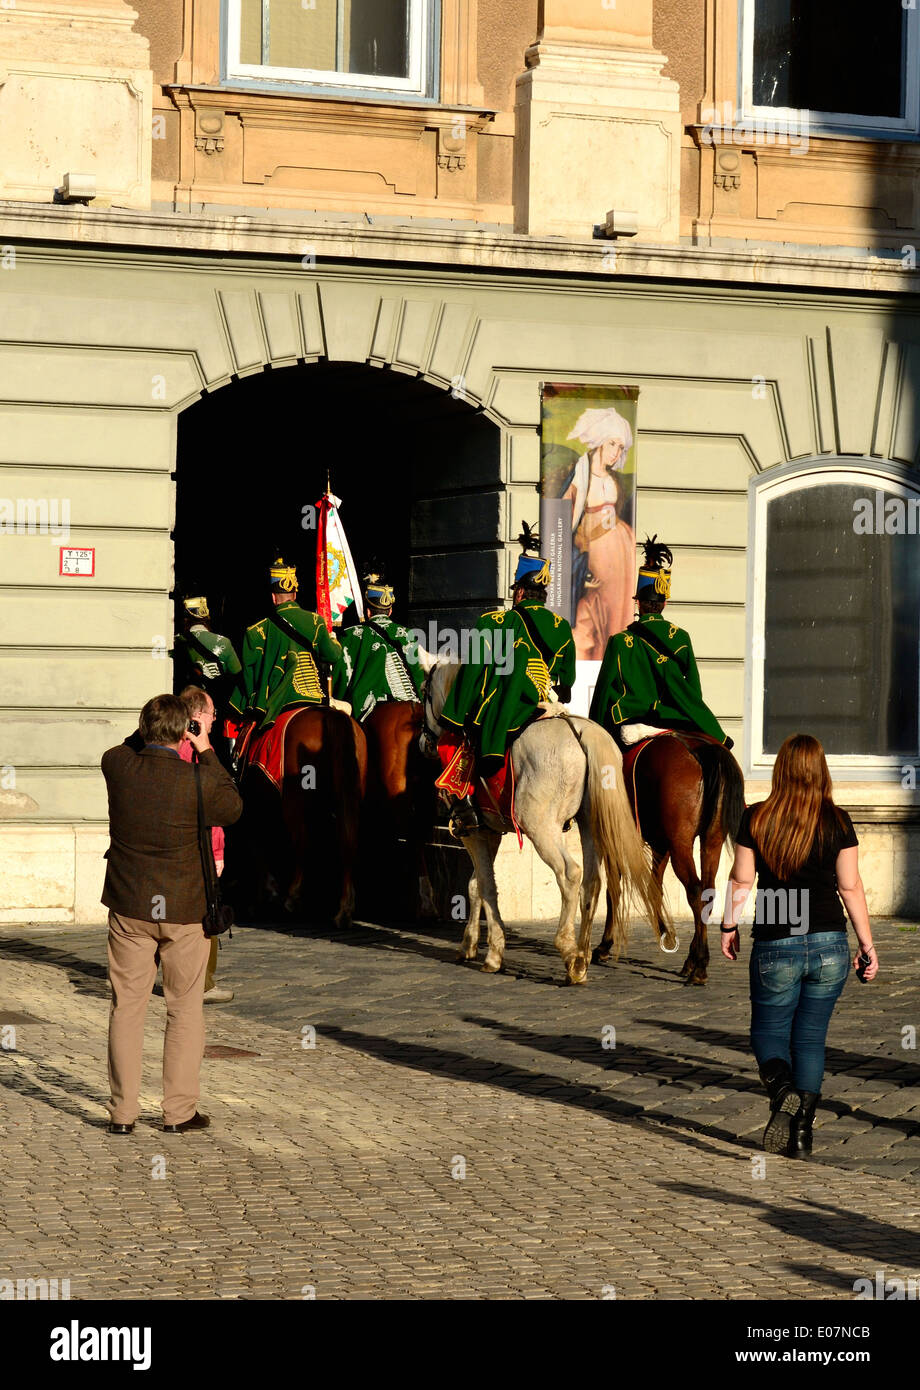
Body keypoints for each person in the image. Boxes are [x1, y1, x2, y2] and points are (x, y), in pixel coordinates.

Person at [720, 733, 878, 1158]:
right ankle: (802, 1136)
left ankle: (781, 1087)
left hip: (776, 939)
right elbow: (851, 886)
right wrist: (867, 943)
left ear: (780, 770)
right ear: (820, 770)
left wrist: (728, 925)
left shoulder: (755, 818)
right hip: (830, 941)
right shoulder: (838, 820)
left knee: (768, 1032)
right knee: (810, 1039)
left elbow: (741, 880)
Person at [101, 694, 242, 1135]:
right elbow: (233, 806)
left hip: (130, 905)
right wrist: (202, 746)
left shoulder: (118, 767)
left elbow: (124, 746)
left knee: (127, 1008)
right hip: (185, 909)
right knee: (184, 1010)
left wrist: (152, 730)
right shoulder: (197, 780)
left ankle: (123, 1114)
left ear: (143, 728)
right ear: (185, 731)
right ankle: (178, 1113)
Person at [437, 539, 575, 837]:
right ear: (543, 593)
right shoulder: (562, 627)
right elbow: (567, 681)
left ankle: (467, 809)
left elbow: (473, 670)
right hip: (546, 703)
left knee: (455, 744)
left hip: (507, 707)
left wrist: (454, 716)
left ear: (520, 591)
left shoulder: (495, 621)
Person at [589, 535, 732, 749]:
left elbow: (601, 696)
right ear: (664, 603)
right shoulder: (681, 638)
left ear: (639, 604)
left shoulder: (620, 642)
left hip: (629, 720)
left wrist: (594, 732)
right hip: (672, 720)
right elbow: (694, 694)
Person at [226, 556, 344, 736]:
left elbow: (249, 677)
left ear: (273, 597)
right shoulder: (316, 621)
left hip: (278, 702)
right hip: (315, 696)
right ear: (295, 594)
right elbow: (333, 656)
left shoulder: (256, 631)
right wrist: (334, 640)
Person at [563, 406, 637, 659]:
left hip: (620, 557)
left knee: (616, 613)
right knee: (590, 611)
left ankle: (612, 662)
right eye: (612, 444)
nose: (616, 453)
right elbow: (569, 525)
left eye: (621, 447)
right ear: (599, 442)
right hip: (595, 556)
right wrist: (580, 561)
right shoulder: (580, 474)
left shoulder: (613, 479)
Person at [179, 685, 234, 1004]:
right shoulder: (198, 752)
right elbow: (213, 805)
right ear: (198, 715)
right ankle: (203, 983)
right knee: (205, 913)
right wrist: (217, 853)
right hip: (197, 847)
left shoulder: (167, 743)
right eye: (213, 714)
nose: (215, 720)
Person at [333, 573, 433, 721]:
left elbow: (340, 674)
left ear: (368, 612)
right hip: (412, 702)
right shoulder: (407, 634)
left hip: (369, 709)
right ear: (390, 611)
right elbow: (420, 673)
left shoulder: (351, 635)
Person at [173, 596, 241, 707]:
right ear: (207, 619)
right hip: (215, 705)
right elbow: (237, 675)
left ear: (185, 620)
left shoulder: (176, 642)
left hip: (183, 705)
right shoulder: (225, 642)